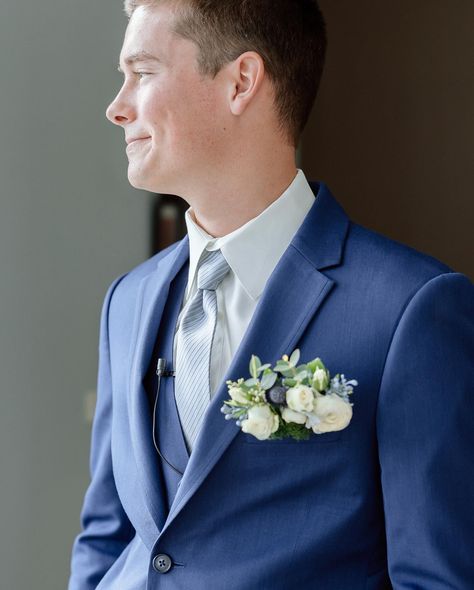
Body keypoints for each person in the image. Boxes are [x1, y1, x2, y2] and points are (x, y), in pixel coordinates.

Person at [68, 1, 474, 588]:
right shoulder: (127, 301)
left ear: (241, 82)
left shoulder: (411, 310)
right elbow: (107, 537)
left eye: (144, 72)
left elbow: (437, 578)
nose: (117, 106)